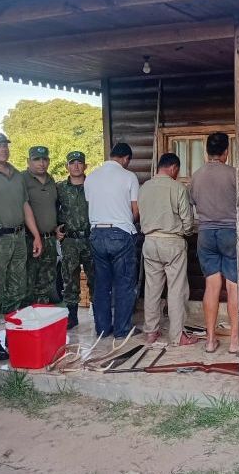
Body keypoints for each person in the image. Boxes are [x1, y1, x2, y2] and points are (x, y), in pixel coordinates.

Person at [0, 132, 42, 360]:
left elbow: (25, 205)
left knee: (18, 289)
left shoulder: (17, 174)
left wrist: (35, 235)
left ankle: (13, 337)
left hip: (19, 237)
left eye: (5, 145)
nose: (3, 149)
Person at [138, 153, 198, 347]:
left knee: (152, 289)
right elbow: (187, 220)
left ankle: (151, 332)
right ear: (173, 168)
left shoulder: (144, 187)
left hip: (149, 242)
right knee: (176, 290)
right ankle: (177, 335)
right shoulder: (177, 188)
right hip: (172, 242)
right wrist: (186, 231)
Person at [84, 142, 140, 338]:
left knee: (101, 285)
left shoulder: (91, 177)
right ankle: (122, 330)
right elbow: (135, 211)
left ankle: (102, 329)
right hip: (120, 234)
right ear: (126, 159)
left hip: (97, 234)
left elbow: (93, 205)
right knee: (124, 284)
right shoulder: (129, 176)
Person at [190, 132, 239, 354]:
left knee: (212, 286)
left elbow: (192, 200)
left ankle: (210, 341)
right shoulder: (234, 174)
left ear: (206, 151)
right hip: (230, 232)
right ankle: (235, 342)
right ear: (226, 152)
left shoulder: (196, 175)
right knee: (233, 286)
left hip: (206, 234)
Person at [56, 150, 94, 330]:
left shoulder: (94, 185)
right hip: (70, 240)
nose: (76, 166)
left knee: (95, 278)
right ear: (67, 166)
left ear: (85, 165)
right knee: (69, 280)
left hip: (90, 238)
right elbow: (52, 210)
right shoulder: (60, 188)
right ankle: (72, 317)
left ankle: (99, 316)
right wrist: (55, 227)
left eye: (79, 162)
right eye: (72, 163)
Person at [24, 146, 60, 304]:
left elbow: (56, 207)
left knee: (47, 281)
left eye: (44, 159)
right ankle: (28, 321)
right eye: (36, 159)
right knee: (29, 281)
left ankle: (43, 317)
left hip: (50, 239)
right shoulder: (22, 179)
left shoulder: (52, 181)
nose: (41, 163)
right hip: (29, 239)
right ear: (28, 161)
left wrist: (58, 226)